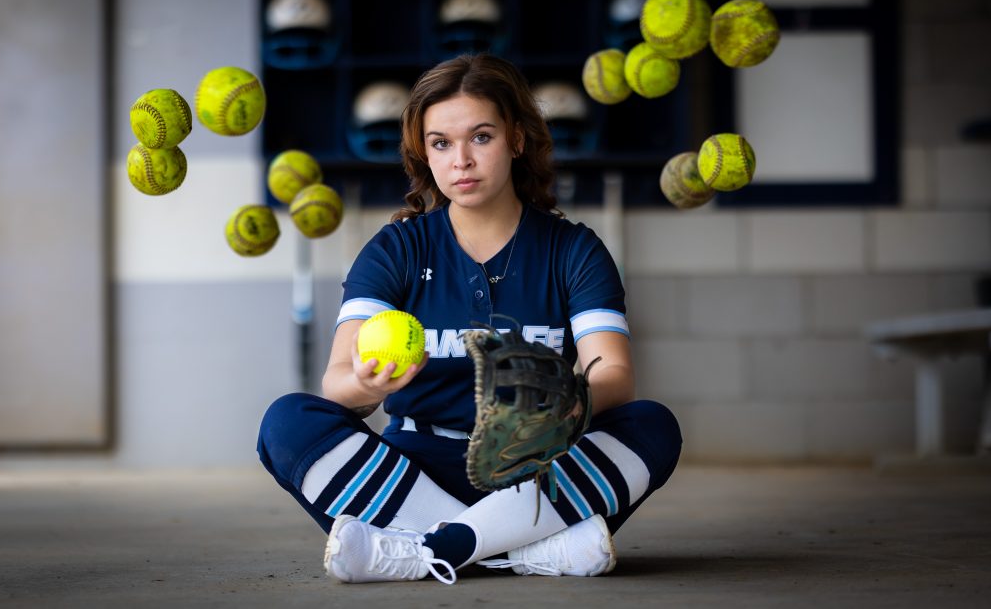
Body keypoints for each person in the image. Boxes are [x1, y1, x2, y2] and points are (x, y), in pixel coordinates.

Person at [258, 53, 682, 585]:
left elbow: (614, 374)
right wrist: (365, 385)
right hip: (409, 470)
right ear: (425, 154)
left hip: (535, 471)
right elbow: (336, 382)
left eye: (480, 137)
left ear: (517, 140)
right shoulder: (397, 249)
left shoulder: (573, 248)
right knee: (286, 422)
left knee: (652, 424)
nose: (461, 159)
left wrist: (567, 400)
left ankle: (429, 549)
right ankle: (522, 551)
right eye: (441, 143)